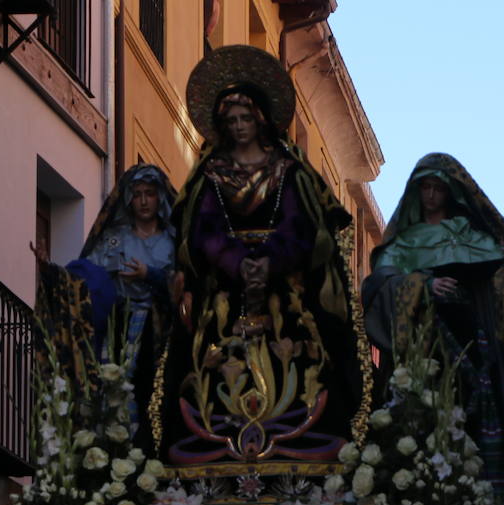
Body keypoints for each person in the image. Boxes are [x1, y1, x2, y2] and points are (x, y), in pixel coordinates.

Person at [153, 44, 372, 467]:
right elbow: (202, 229)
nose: (237, 128)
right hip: (224, 288)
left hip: (285, 286)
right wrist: (237, 263)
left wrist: (269, 261)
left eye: (244, 119)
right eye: (229, 121)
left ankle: (301, 434)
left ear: (260, 120)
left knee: (299, 351)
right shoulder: (210, 174)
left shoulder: (288, 170)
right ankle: (214, 437)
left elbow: (301, 224)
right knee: (213, 359)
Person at [364, 153, 504, 494]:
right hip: (421, 352)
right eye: (424, 188)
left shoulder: (472, 236)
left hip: (472, 345)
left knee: (482, 419)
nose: (430, 196)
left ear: (450, 194)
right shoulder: (402, 244)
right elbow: (377, 288)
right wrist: (423, 286)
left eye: (437, 189)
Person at [76, 163, 179, 425]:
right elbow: (86, 274)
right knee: (110, 388)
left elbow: (187, 284)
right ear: (128, 199)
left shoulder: (173, 241)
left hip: (156, 329)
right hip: (116, 323)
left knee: (145, 391)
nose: (143, 201)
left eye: (150, 193)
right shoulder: (113, 238)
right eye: (137, 194)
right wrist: (53, 271)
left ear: (160, 198)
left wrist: (150, 275)